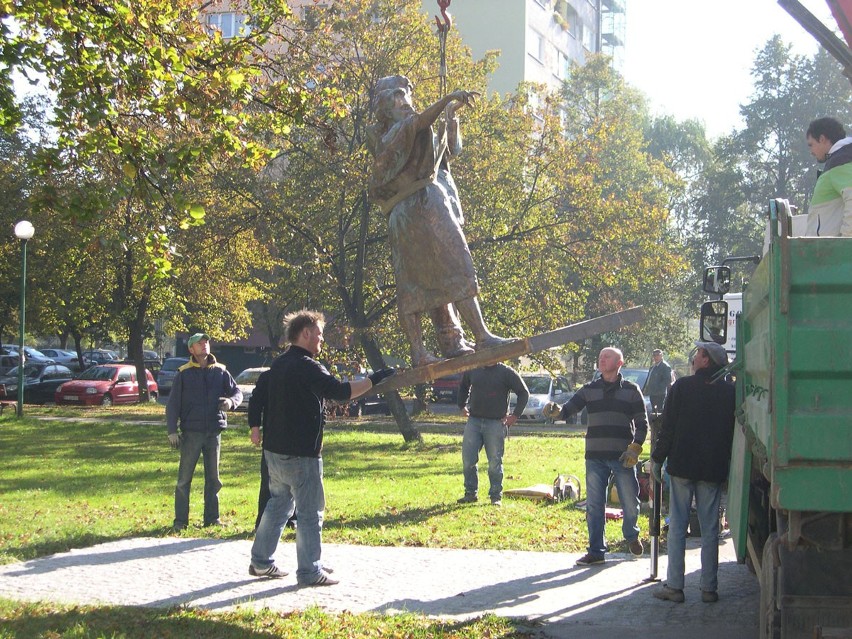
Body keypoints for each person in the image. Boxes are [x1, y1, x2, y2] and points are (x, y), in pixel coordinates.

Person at [367, 75, 512, 367]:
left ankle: (442, 344)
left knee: (421, 280)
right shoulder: (393, 133)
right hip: (419, 206)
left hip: (414, 209)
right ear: (385, 107)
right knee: (453, 265)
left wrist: (449, 116)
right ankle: (477, 336)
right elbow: (418, 123)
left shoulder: (408, 130)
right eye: (398, 98)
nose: (405, 102)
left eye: (407, 95)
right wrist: (445, 99)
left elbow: (447, 153)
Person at [249, 310, 395, 585]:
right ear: (305, 333)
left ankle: (260, 562)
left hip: (274, 453)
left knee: (278, 506)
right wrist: (374, 380)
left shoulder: (278, 365)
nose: (321, 340)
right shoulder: (308, 366)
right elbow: (341, 392)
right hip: (301, 454)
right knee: (309, 512)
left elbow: (258, 396)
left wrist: (254, 426)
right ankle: (309, 570)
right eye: (319, 334)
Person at [543, 347, 648, 565]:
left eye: (607, 356)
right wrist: (555, 411)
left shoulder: (631, 389)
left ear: (620, 362)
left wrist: (636, 447)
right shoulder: (589, 389)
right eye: (600, 356)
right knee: (594, 505)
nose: (602, 359)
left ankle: (631, 536)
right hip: (595, 456)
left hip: (623, 456)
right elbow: (567, 410)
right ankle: (596, 551)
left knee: (630, 502)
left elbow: (642, 423)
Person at [650, 341, 735, 604]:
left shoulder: (682, 387)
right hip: (712, 469)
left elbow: (668, 427)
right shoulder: (730, 392)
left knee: (677, 526)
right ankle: (709, 588)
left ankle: (675, 587)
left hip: (682, 467)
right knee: (710, 529)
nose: (694, 357)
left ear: (706, 360)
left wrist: (656, 458)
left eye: (698, 354)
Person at [167, 333, 242, 530]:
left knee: (213, 479)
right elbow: (173, 404)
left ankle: (212, 519)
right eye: (199, 343)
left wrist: (230, 402)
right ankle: (180, 522)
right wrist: (172, 430)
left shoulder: (220, 371)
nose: (204, 345)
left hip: (213, 433)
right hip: (191, 433)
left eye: (206, 342)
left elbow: (237, 393)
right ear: (191, 349)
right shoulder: (183, 373)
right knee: (184, 480)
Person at [456, 363, 530, 506]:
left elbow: (523, 392)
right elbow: (464, 386)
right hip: (474, 420)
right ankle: (470, 493)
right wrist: (462, 405)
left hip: (496, 422)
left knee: (495, 462)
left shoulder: (506, 372)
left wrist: (515, 416)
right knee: (468, 460)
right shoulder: (473, 367)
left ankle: (495, 496)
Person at [805, 116, 852, 236]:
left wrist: (845, 242)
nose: (811, 151)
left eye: (811, 144)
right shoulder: (843, 157)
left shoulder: (841, 160)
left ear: (822, 139)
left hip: (833, 252)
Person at [644, 348, 673, 413]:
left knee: (658, 412)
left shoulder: (665, 366)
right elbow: (649, 379)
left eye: (658, 355)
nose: (656, 357)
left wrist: (657, 388)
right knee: (653, 412)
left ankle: (659, 423)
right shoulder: (653, 367)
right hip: (652, 393)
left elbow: (667, 380)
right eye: (654, 355)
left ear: (661, 356)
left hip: (659, 394)